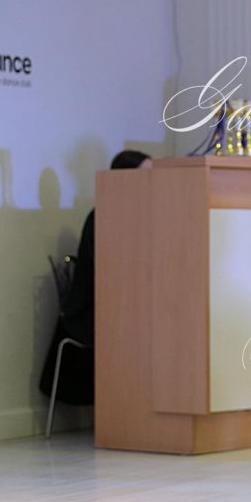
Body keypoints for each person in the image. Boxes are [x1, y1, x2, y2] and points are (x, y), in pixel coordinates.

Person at [39, 150, 152, 406]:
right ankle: (132, 411)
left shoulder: (142, 216)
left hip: (123, 307)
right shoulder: (103, 216)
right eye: (145, 177)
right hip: (92, 312)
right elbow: (113, 272)